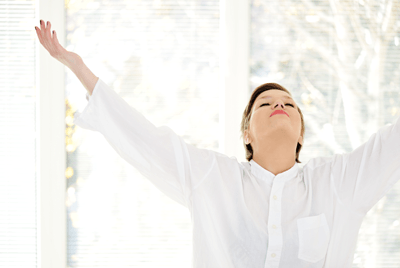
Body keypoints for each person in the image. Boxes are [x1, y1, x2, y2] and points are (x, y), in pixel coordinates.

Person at [35, 20, 400, 268]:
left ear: (301, 133)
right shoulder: (213, 178)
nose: (279, 105)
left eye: (289, 104)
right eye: (266, 103)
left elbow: (392, 143)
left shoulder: (337, 183)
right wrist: (79, 69)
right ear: (246, 133)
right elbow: (145, 139)